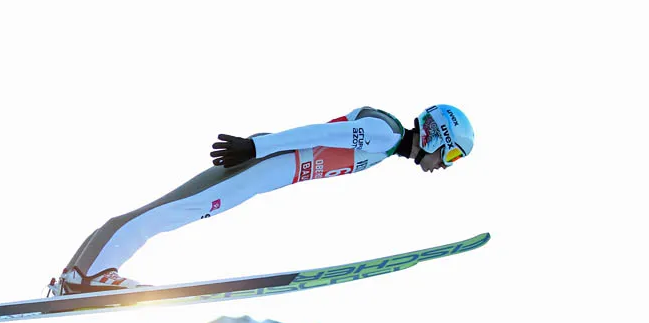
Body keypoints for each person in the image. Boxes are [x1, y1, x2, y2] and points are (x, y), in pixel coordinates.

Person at [47, 104, 475, 296]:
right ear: (437, 135)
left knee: (170, 210)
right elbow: (318, 133)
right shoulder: (385, 133)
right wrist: (256, 147)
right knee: (172, 212)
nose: (445, 165)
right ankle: (91, 276)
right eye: (451, 155)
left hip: (266, 171)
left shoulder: (386, 145)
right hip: (263, 164)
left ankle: (75, 276)